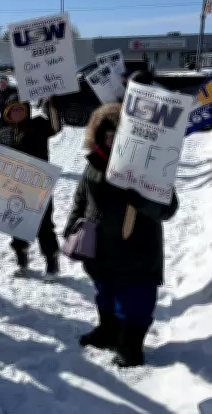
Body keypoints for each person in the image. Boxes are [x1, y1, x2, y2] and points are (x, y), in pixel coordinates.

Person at [66, 103, 179, 367]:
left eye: (120, 136)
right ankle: (108, 332)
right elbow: (81, 198)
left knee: (136, 301)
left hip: (137, 251)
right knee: (104, 292)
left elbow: (168, 207)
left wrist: (141, 200)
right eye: (108, 136)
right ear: (98, 136)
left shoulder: (149, 168)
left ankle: (131, 346)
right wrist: (73, 224)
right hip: (101, 249)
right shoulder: (94, 162)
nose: (113, 141)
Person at [0, 94, 63, 279]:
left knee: (43, 225)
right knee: (16, 222)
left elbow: (56, 126)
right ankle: (22, 259)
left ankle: (52, 261)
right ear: (7, 112)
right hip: (14, 188)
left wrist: (52, 103)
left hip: (38, 187)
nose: (17, 112)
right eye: (13, 109)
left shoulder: (38, 125)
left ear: (27, 110)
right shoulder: (3, 131)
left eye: (21, 109)